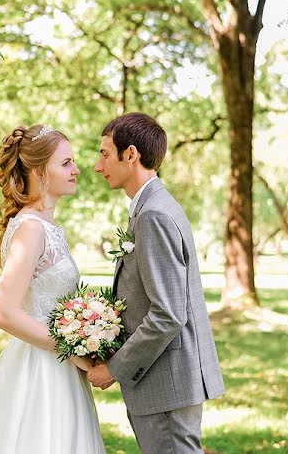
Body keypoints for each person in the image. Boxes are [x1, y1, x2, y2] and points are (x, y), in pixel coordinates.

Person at [0, 124, 106, 454]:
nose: (77, 170)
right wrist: (72, 350)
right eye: (66, 163)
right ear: (40, 171)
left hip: (57, 368)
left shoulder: (45, 226)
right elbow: (5, 312)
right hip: (41, 373)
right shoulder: (31, 229)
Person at [88, 112, 225, 454]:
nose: (98, 165)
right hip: (166, 381)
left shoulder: (153, 215)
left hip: (168, 383)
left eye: (105, 154)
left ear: (130, 155)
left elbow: (168, 314)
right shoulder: (151, 208)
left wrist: (115, 368)